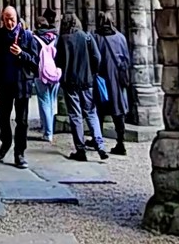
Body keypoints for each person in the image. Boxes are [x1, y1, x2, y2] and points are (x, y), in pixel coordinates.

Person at [0, 5, 40, 168]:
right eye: (6, 19)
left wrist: (21, 54)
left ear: (17, 18)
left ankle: (20, 153)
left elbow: (35, 62)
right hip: (4, 84)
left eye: (11, 19)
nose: (9, 23)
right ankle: (6, 141)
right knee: (2, 116)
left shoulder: (27, 36)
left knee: (22, 121)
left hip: (22, 84)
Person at [55, 12, 108, 161]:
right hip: (87, 81)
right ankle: (100, 146)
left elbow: (58, 61)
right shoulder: (87, 37)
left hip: (70, 82)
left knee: (75, 115)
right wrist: (92, 71)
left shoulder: (63, 39)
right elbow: (97, 57)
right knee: (91, 113)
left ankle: (81, 150)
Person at [94, 10, 131, 155]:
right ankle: (120, 142)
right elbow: (126, 59)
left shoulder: (96, 37)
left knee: (99, 110)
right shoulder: (120, 37)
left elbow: (94, 58)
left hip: (101, 79)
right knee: (118, 109)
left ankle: (98, 139)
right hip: (116, 78)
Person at [34, 15, 61, 142]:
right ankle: (48, 127)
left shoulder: (35, 38)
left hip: (41, 74)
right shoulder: (55, 37)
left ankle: (48, 131)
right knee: (51, 101)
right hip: (55, 73)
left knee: (44, 101)